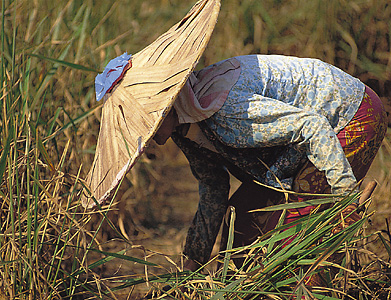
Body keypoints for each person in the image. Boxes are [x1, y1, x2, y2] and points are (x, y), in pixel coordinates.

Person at [152, 54, 387, 272]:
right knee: (243, 221)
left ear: (167, 106)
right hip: (302, 144)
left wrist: (345, 195)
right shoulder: (184, 128)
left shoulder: (224, 110)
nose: (143, 141)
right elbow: (213, 187)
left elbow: (311, 126)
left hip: (350, 113)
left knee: (291, 237)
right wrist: (192, 265)